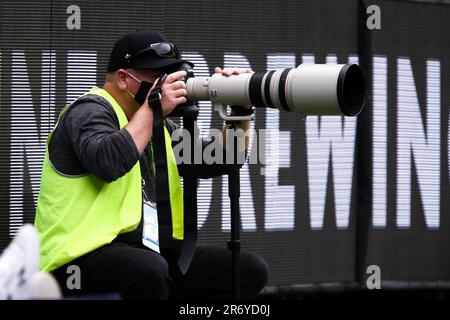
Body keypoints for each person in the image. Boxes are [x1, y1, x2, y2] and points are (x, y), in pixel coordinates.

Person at [34, 30, 268, 300]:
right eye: (157, 76)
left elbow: (220, 160)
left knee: (246, 270)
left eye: (170, 75)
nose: (166, 83)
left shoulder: (155, 123)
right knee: (150, 270)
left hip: (141, 254)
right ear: (123, 78)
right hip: (74, 262)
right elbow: (108, 161)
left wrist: (240, 111)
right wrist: (153, 107)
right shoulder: (89, 110)